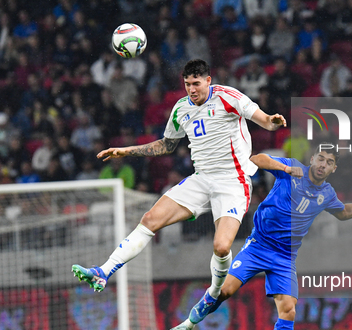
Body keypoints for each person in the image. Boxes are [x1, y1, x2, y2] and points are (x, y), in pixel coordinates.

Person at [164, 145, 352, 330]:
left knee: (289, 310)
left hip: (285, 257)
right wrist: (284, 167)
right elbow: (256, 159)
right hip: (258, 246)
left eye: (328, 162)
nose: (322, 164)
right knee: (224, 291)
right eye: (320, 158)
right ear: (312, 158)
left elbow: (345, 212)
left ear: (333, 168)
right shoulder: (292, 169)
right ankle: (188, 323)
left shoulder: (327, 193)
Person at [72, 59, 288, 315]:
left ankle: (214, 293)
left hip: (233, 181)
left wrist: (273, 121)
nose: (191, 89)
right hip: (201, 179)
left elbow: (262, 119)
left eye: (196, 83)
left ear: (208, 81)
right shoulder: (181, 108)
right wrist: (126, 151)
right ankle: (103, 271)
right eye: (187, 84)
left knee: (221, 246)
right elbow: (166, 144)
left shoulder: (229, 97)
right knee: (150, 219)